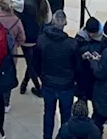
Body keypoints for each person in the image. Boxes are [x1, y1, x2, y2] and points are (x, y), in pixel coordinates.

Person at [36, 11, 79, 139]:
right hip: (66, 85)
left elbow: (36, 63)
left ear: (53, 22)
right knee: (66, 116)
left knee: (48, 113)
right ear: (65, 23)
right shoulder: (72, 44)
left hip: (48, 83)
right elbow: (77, 67)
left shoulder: (41, 40)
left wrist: (42, 76)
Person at [16, 0, 50, 96]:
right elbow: (48, 20)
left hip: (26, 37)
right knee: (31, 61)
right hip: (38, 37)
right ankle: (25, 83)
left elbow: (13, 0)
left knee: (30, 63)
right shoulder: (45, 3)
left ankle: (37, 87)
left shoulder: (23, 3)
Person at [72, 17, 103, 104]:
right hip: (82, 76)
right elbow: (75, 55)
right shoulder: (79, 38)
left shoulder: (103, 40)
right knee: (82, 100)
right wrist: (82, 56)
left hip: (95, 77)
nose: (92, 36)